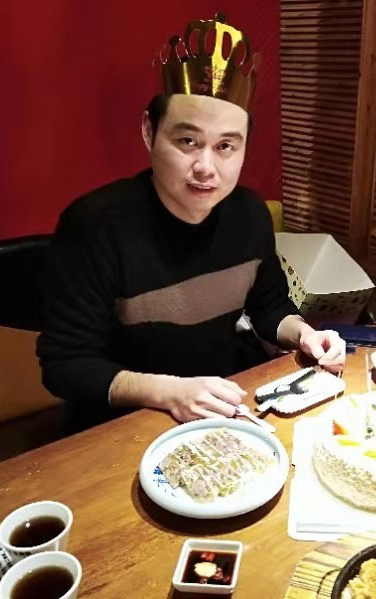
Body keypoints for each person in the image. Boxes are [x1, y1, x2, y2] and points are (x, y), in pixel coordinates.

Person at [37, 14, 345, 425]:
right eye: (187, 141)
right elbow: (64, 366)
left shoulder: (250, 215)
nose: (205, 167)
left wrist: (305, 333)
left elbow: (270, 307)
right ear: (149, 132)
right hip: (122, 422)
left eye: (226, 146)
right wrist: (169, 392)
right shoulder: (95, 226)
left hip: (220, 407)